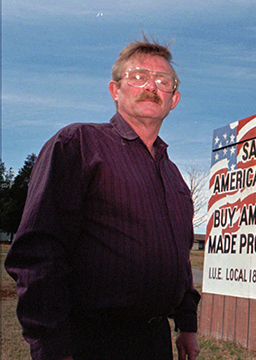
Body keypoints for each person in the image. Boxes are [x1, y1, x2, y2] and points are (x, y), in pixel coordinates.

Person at [5, 34, 201, 360]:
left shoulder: (174, 177)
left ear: (174, 99)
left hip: (155, 341)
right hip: (90, 340)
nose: (151, 86)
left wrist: (187, 325)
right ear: (115, 90)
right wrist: (50, 347)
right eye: (138, 77)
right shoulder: (78, 145)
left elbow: (179, 259)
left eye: (162, 80)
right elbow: (37, 253)